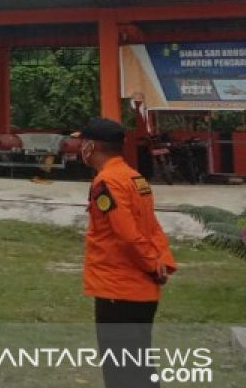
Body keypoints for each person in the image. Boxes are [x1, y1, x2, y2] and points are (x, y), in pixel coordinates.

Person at [76, 117, 178, 388]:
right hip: (142, 288)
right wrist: (161, 261)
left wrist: (149, 264)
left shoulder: (106, 183)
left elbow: (127, 234)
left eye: (81, 143)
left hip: (118, 289)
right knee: (140, 364)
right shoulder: (135, 178)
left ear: (91, 146)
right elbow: (151, 225)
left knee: (121, 370)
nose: (79, 148)